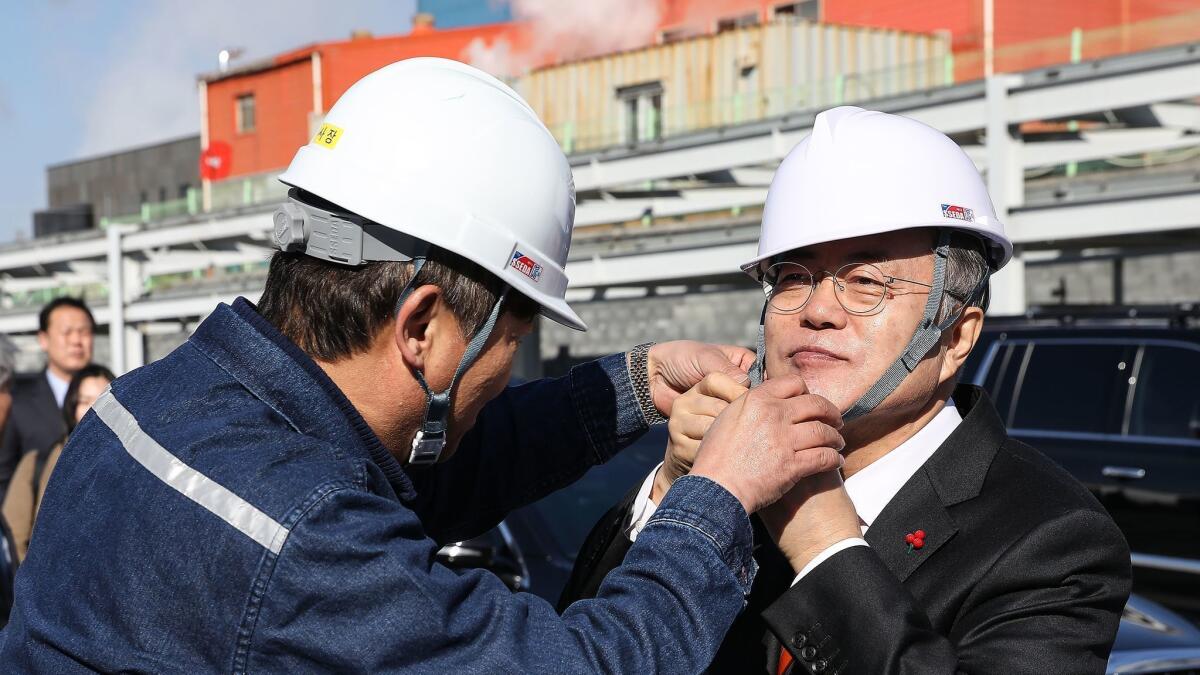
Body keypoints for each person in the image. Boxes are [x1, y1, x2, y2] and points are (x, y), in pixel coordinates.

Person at [0, 59, 847, 673]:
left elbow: (424, 474)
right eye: (513, 342)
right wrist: (721, 497)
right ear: (423, 327)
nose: (509, 373)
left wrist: (630, 387)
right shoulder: (305, 536)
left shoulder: (160, 404)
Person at [561, 106, 1132, 674]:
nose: (816, 310)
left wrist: (826, 550)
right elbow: (582, 654)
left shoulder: (1052, 537)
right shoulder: (732, 480)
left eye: (866, 282)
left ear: (956, 336)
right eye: (792, 277)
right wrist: (674, 492)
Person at [3, 364, 114, 562]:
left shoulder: (135, 464)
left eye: (103, 400)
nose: (94, 409)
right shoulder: (37, 462)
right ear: (72, 406)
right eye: (84, 401)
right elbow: (13, 539)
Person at [0, 298, 95, 501]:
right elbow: (4, 477)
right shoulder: (17, 402)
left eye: (84, 332)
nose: (76, 341)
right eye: (67, 332)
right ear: (43, 339)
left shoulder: (113, 393)